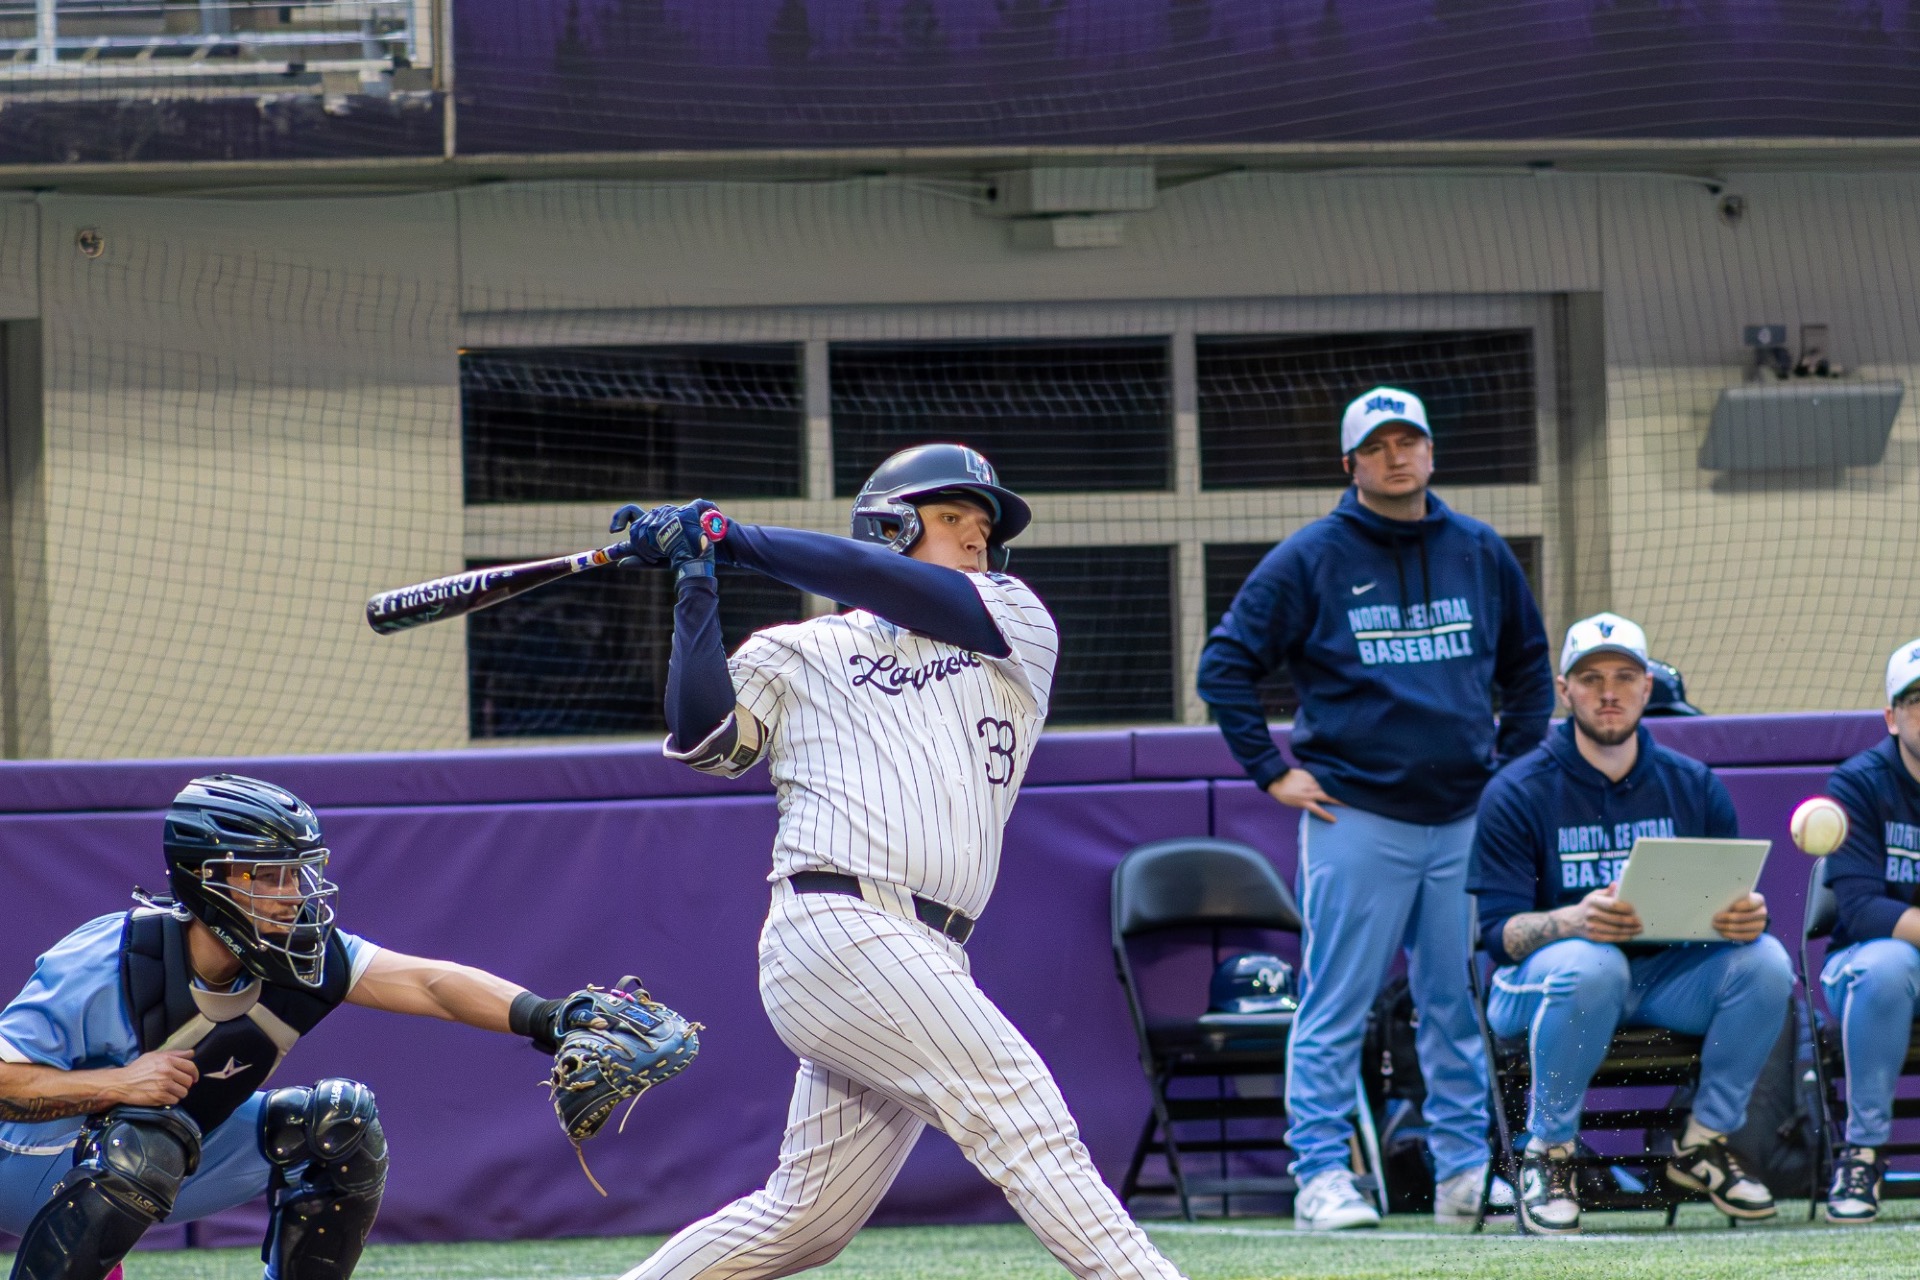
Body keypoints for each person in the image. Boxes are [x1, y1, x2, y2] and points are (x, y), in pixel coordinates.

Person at [606, 443, 1185, 1280]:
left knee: (804, 1222)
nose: (976, 537)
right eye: (952, 518)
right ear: (892, 525)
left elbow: (889, 585)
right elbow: (705, 739)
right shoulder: (799, 651)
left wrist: (733, 535)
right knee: (1018, 1110)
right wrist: (697, 581)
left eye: (983, 525)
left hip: (928, 950)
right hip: (837, 924)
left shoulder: (1014, 625)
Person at [1196, 385, 1553, 1229]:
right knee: (1335, 1003)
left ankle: (1466, 1174)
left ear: (1430, 452)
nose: (1398, 456)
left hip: (1465, 819)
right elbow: (1225, 666)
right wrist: (1270, 773)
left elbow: (1531, 670)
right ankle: (1321, 1176)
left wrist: (1506, 775)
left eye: (1411, 441)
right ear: (1351, 463)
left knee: (1456, 1005)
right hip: (1355, 817)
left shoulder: (1478, 549)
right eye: (1380, 445)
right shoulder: (1312, 556)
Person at [0, 774, 592, 1280]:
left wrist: (551, 1015)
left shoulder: (301, 952)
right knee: (146, 1142)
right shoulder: (112, 957)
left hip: (144, 1153)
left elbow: (429, 983)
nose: (291, 897)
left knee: (341, 1124)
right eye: (268, 876)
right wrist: (118, 1084)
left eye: (297, 874)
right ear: (208, 876)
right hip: (22, 1163)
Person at [1468, 613, 1795, 1234]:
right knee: (1594, 963)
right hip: (1542, 988)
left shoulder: (1691, 785)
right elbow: (1499, 936)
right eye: (1591, 679)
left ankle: (1700, 1143)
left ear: (1648, 687)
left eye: (1623, 676)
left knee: (1766, 962)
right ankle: (1548, 1153)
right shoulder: (1517, 790)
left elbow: (1729, 896)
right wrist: (1572, 919)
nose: (1608, 692)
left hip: (1662, 982)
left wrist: (1749, 916)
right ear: (1565, 691)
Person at [1812, 636, 1920, 1224]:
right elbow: (1859, 908)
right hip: (1863, 970)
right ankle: (1863, 1152)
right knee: (1888, 963)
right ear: (1891, 716)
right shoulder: (1857, 783)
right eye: (1917, 699)